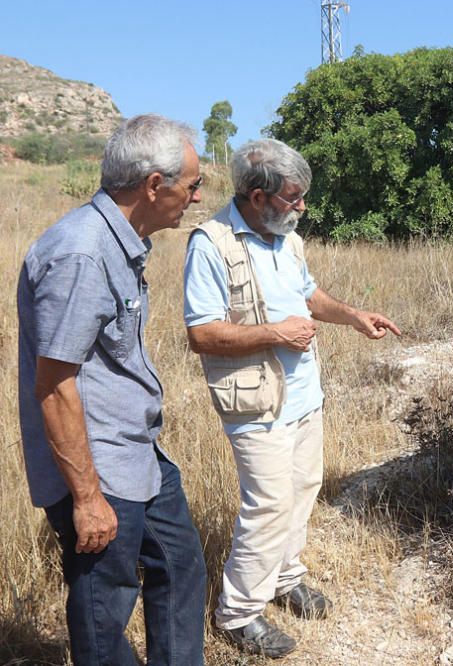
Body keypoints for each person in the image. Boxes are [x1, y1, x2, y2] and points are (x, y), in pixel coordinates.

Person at [183, 138, 401, 658]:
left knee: (303, 489)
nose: (302, 207)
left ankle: (285, 577)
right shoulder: (211, 244)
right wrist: (276, 334)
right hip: (257, 403)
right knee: (269, 506)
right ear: (257, 197)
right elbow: (202, 334)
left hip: (304, 396)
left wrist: (352, 316)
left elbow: (308, 295)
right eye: (293, 198)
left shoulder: (287, 237)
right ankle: (238, 614)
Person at [17, 114, 208, 665]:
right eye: (192, 185)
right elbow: (54, 387)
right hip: (98, 467)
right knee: (105, 612)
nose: (195, 199)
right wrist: (86, 498)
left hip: (139, 452)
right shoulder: (81, 253)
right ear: (154, 185)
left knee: (180, 565)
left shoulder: (119, 242)